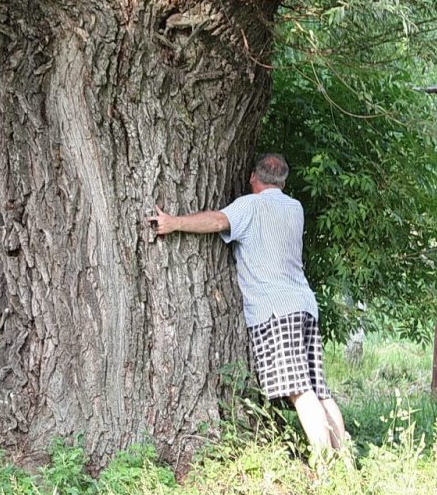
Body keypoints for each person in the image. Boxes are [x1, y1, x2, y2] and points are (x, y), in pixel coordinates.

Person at [148, 153, 348, 455]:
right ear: (283, 181)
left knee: (299, 391)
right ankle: (345, 464)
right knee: (319, 390)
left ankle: (325, 465)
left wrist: (173, 223)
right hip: (304, 303)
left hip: (275, 309)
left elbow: (216, 220)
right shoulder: (295, 208)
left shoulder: (251, 205)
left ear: (254, 177)